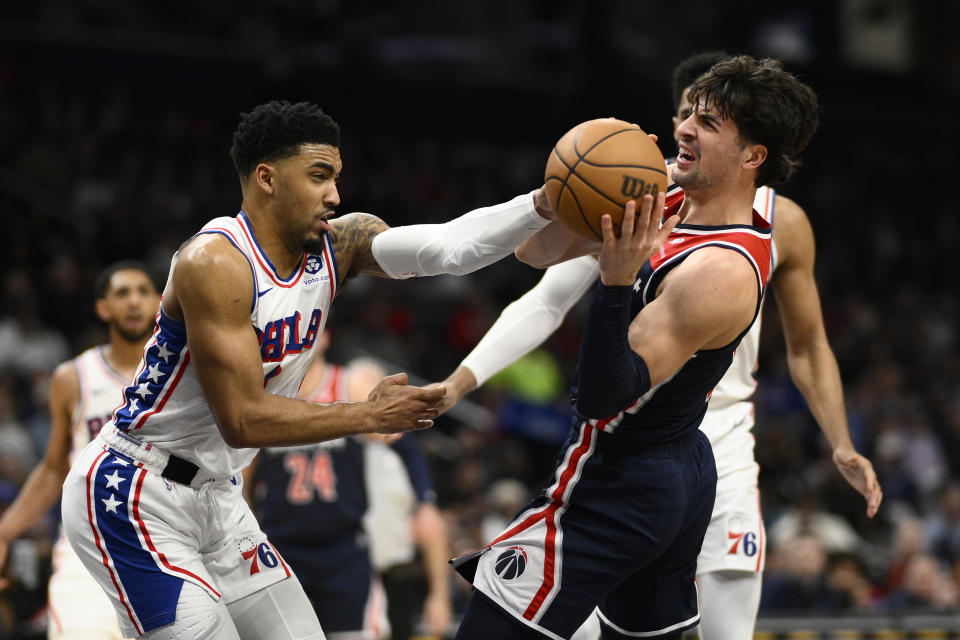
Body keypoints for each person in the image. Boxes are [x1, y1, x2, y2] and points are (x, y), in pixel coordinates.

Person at [58, 99, 555, 640]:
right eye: (319, 176)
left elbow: (448, 248)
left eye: (337, 177)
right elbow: (244, 420)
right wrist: (366, 416)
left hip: (218, 497)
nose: (335, 195)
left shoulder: (340, 244)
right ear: (267, 178)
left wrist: (544, 203)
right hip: (135, 492)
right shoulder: (216, 262)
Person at [438, 52, 884, 640]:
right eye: (688, 114)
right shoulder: (667, 196)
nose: (682, 129)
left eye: (708, 123)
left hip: (623, 472)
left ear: (754, 156)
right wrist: (566, 192)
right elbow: (535, 253)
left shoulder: (722, 269)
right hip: (677, 464)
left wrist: (617, 281)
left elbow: (604, 396)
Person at [244, 331, 452, 640]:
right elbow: (243, 474)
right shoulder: (267, 392)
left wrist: (424, 500)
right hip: (280, 544)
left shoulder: (349, 384)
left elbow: (404, 446)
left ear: (326, 337)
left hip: (343, 546)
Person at [0, 261, 160, 640]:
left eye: (142, 292)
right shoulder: (74, 377)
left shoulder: (182, 373)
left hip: (163, 544)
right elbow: (55, 468)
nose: (133, 302)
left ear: (159, 303)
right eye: (122, 293)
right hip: (88, 549)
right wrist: (4, 533)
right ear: (102, 307)